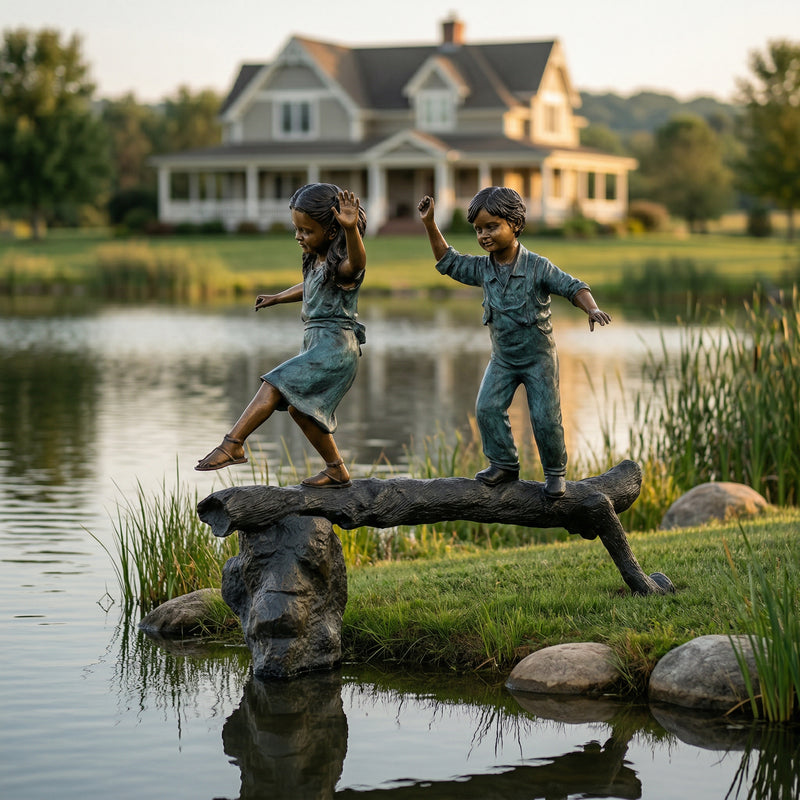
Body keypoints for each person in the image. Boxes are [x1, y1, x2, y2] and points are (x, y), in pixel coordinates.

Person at [418, 187, 610, 498]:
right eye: (478, 229)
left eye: (492, 226)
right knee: (487, 408)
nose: (484, 235)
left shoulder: (538, 266)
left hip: (539, 359)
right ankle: (504, 464)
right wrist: (430, 224)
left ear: (515, 224)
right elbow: (449, 262)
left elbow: (571, 285)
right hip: (503, 359)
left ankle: (555, 473)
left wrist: (592, 307)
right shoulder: (483, 268)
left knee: (545, 418)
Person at [196, 183, 367, 488]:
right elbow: (310, 288)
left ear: (330, 232)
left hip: (335, 348)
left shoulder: (344, 267)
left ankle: (232, 444)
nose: (298, 236)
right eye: (296, 229)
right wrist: (277, 297)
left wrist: (351, 230)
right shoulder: (318, 263)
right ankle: (336, 470)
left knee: (274, 383)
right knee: (300, 411)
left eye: (306, 230)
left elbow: (357, 263)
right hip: (317, 345)